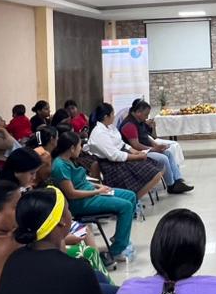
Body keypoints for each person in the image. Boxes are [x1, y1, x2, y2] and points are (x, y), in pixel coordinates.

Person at [53, 130, 140, 263]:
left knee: (131, 196)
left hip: (90, 192)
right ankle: (117, 250)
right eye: (79, 145)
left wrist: (99, 186)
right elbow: (72, 193)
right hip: (82, 202)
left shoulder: (69, 160)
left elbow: (81, 181)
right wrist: (97, 192)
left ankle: (119, 237)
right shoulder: (59, 166)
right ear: (72, 148)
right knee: (126, 206)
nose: (81, 148)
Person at [86, 102, 167, 196]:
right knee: (155, 174)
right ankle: (134, 198)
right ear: (106, 116)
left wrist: (135, 152)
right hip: (113, 164)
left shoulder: (110, 127)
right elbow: (114, 155)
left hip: (124, 155)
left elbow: (121, 143)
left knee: (160, 168)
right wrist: (136, 156)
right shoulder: (99, 133)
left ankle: (134, 198)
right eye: (112, 114)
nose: (114, 116)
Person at [120, 99, 193, 193]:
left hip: (146, 149)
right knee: (163, 158)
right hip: (137, 153)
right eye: (146, 114)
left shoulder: (139, 121)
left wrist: (157, 145)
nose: (147, 117)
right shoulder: (129, 125)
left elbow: (146, 136)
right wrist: (154, 149)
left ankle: (178, 180)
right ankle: (171, 185)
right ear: (138, 112)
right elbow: (136, 145)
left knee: (168, 153)